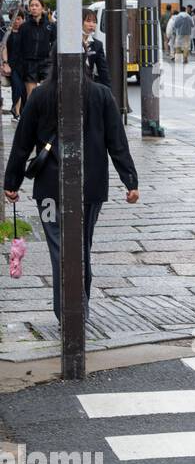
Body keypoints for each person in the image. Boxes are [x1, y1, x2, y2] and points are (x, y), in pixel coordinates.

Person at [3, 52, 140, 323]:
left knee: (59, 248)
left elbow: (22, 142)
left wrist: (12, 182)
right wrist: (130, 181)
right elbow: (117, 141)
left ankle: (67, 312)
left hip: (49, 188)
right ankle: (79, 309)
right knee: (81, 246)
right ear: (85, 66)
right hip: (90, 186)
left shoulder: (41, 95)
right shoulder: (100, 95)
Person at [19, 0, 56, 103]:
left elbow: (55, 43)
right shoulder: (24, 27)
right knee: (31, 97)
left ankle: (46, 117)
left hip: (46, 62)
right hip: (29, 62)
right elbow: (19, 46)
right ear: (29, 8)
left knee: (48, 93)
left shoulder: (50, 26)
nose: (34, 8)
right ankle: (31, 118)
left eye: (36, 5)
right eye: (32, 5)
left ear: (42, 8)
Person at [2, 10, 24, 118]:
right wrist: (5, 63)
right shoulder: (8, 33)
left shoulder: (26, 32)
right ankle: (16, 111)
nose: (16, 21)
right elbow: (4, 48)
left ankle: (18, 111)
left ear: (23, 19)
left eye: (19, 18)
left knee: (22, 89)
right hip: (12, 66)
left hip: (24, 65)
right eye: (14, 19)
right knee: (17, 87)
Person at [82, 8, 110, 86]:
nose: (92, 25)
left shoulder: (97, 44)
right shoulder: (70, 43)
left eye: (94, 22)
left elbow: (103, 70)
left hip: (89, 85)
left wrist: (108, 92)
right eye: (88, 21)